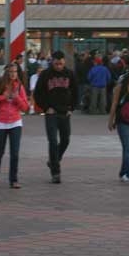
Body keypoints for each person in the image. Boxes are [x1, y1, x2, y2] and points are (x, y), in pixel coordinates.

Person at [34, 50, 77, 184]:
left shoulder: (69, 74)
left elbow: (76, 91)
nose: (59, 66)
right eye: (56, 63)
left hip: (65, 112)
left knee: (65, 140)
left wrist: (71, 108)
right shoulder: (46, 75)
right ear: (52, 61)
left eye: (61, 64)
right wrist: (46, 108)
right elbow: (37, 93)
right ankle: (55, 172)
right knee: (52, 141)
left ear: (64, 62)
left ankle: (54, 160)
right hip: (51, 113)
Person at [0, 62, 30, 188]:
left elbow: (26, 108)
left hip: (15, 122)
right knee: (0, 151)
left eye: (15, 72)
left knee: (15, 153)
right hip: (0, 123)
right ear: (6, 72)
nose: (13, 74)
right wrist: (2, 97)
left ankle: (13, 180)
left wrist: (17, 98)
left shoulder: (20, 87)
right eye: (10, 72)